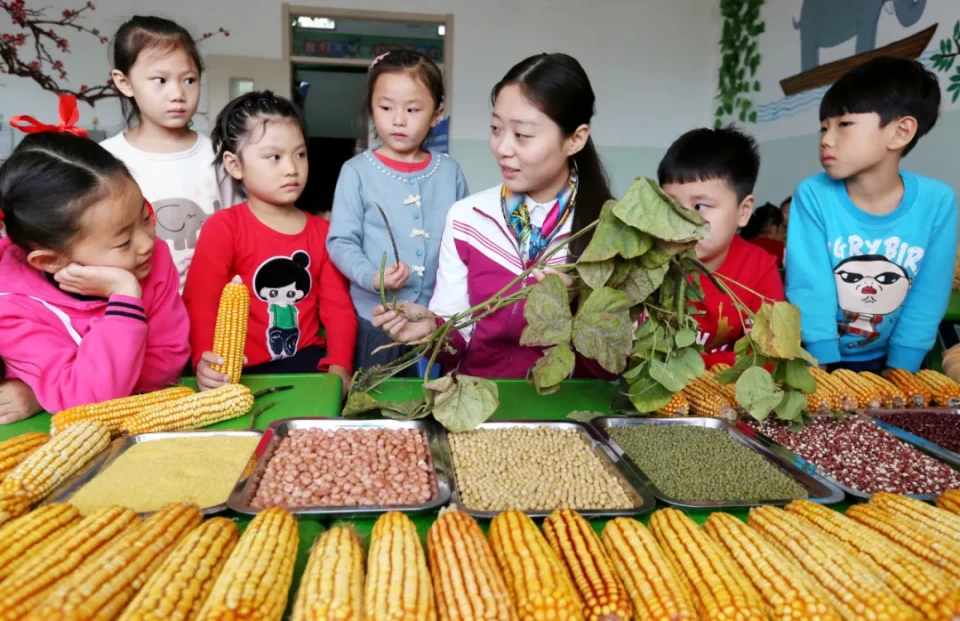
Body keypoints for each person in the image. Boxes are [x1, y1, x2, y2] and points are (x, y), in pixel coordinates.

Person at [370, 53, 614, 379]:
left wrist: (576, 306)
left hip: (564, 413)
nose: (502, 148)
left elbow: (611, 369)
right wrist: (431, 329)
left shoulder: (610, 233)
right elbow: (457, 342)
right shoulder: (468, 218)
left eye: (522, 135)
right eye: (496, 128)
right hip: (477, 403)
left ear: (575, 139)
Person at [0, 96, 190, 419]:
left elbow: (167, 362)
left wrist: (49, 394)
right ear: (50, 261)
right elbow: (89, 401)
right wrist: (127, 301)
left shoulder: (151, 259)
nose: (147, 243)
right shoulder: (12, 308)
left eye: (144, 216)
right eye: (124, 240)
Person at [786, 56, 957, 373]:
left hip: (894, 362)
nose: (826, 138)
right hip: (814, 360)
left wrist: (901, 369)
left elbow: (928, 293)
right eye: (824, 127)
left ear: (900, 132)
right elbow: (809, 287)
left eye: (844, 124)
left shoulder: (938, 202)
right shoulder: (813, 195)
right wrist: (822, 364)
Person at [182, 91, 356, 394]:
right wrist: (205, 359)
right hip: (236, 369)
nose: (291, 168)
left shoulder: (323, 231)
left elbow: (337, 308)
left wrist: (340, 364)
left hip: (306, 365)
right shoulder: (223, 227)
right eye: (274, 157)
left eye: (299, 154)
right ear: (235, 165)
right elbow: (201, 302)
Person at [327, 50, 468, 373]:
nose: (398, 120)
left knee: (432, 405)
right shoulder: (356, 171)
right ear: (371, 108)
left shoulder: (450, 172)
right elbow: (340, 242)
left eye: (413, 109)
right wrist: (372, 277)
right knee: (378, 408)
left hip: (434, 322)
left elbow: (463, 246)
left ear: (436, 114)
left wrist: (447, 312)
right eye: (386, 107)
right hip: (378, 321)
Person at [101, 16, 238, 292]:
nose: (178, 94)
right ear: (124, 82)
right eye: (160, 80)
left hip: (210, 303)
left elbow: (238, 225)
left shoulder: (218, 155)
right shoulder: (104, 159)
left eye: (189, 80)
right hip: (134, 304)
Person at [658, 127, 784, 368]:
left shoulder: (759, 269)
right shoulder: (650, 264)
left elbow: (768, 357)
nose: (684, 219)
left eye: (700, 206)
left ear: (744, 211)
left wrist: (693, 366)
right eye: (671, 205)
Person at [740, 202, 786, 269]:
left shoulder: (740, 245)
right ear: (773, 227)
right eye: (784, 226)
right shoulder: (782, 251)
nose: (784, 232)